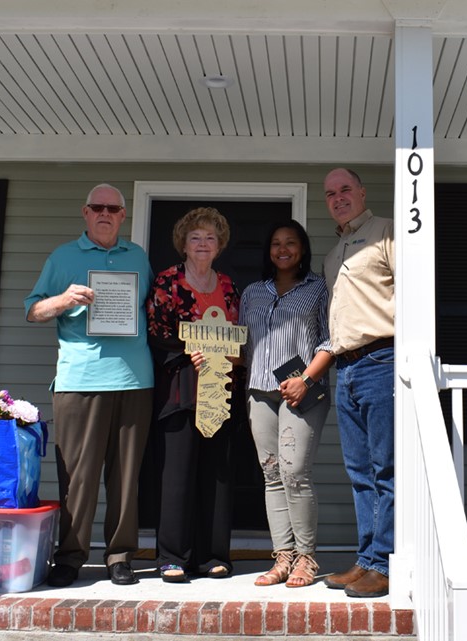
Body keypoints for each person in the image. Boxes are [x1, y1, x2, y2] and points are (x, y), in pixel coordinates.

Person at [25, 184, 153, 587]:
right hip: (79, 380)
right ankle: (70, 555)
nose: (105, 213)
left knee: (125, 476)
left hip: (134, 380)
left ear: (123, 215)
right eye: (97, 207)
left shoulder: (138, 257)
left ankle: (119, 555)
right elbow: (33, 311)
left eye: (113, 209)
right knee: (77, 477)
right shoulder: (63, 257)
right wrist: (63, 300)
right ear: (85, 212)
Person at [146, 206, 242, 583]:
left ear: (219, 246)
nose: (203, 244)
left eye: (210, 238)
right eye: (195, 238)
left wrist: (230, 355)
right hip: (180, 390)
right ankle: (172, 556)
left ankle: (213, 555)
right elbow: (155, 333)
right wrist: (188, 352)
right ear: (183, 244)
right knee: (177, 475)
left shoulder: (229, 286)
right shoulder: (168, 282)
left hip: (220, 389)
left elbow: (236, 334)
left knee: (216, 474)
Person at [240, 221, 334, 588]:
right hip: (259, 392)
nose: (282, 249)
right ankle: (283, 557)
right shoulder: (252, 293)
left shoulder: (318, 290)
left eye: (290, 243)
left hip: (303, 394)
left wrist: (306, 379)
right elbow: (243, 345)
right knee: (272, 474)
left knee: (295, 472)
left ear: (302, 249)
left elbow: (331, 340)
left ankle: (306, 557)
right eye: (276, 243)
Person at [320, 168, 395, 598]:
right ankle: (366, 559)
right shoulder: (335, 254)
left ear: (362, 192)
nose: (338, 197)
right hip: (345, 368)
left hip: (381, 359)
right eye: (331, 193)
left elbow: (415, 293)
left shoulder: (388, 233)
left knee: (386, 469)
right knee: (359, 472)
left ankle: (384, 563)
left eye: (345, 189)